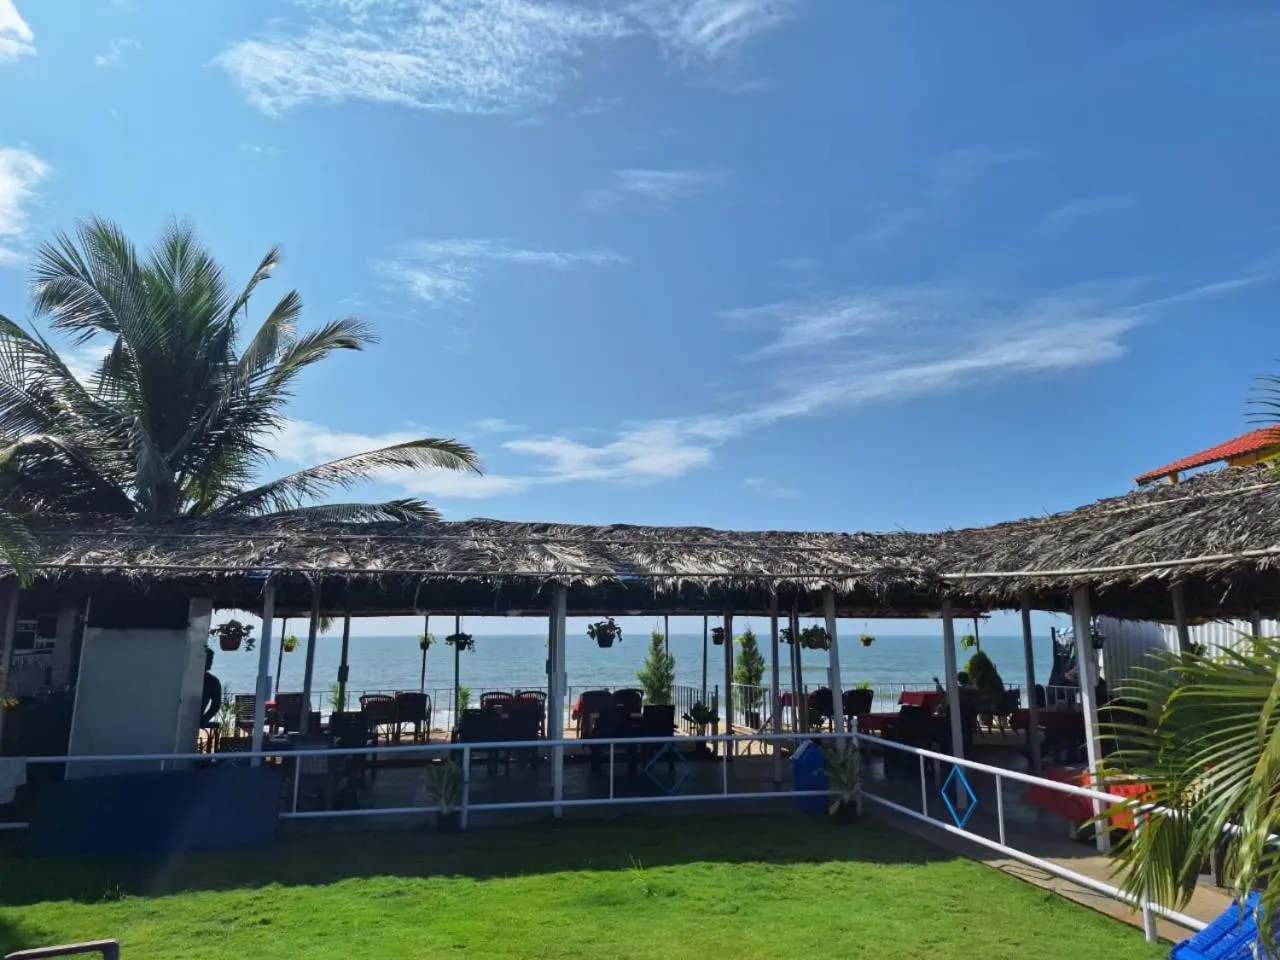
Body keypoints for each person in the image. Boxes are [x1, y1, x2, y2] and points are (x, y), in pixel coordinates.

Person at [200, 647, 222, 728]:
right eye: (208, 659)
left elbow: (216, 705)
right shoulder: (212, 681)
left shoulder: (213, 681)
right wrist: (204, 719)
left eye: (211, 660)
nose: (211, 662)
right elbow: (216, 705)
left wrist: (204, 719)